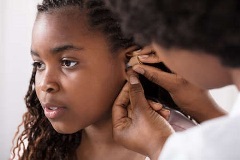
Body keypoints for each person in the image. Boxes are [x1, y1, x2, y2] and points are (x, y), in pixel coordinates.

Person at [10, 0, 199, 159]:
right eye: (39, 64)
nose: (44, 84)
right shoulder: (35, 145)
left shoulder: (184, 145)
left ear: (130, 61)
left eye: (68, 62)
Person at [104, 0, 240, 160]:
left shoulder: (199, 150)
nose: (157, 51)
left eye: (158, 38)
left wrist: (158, 146)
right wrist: (204, 111)